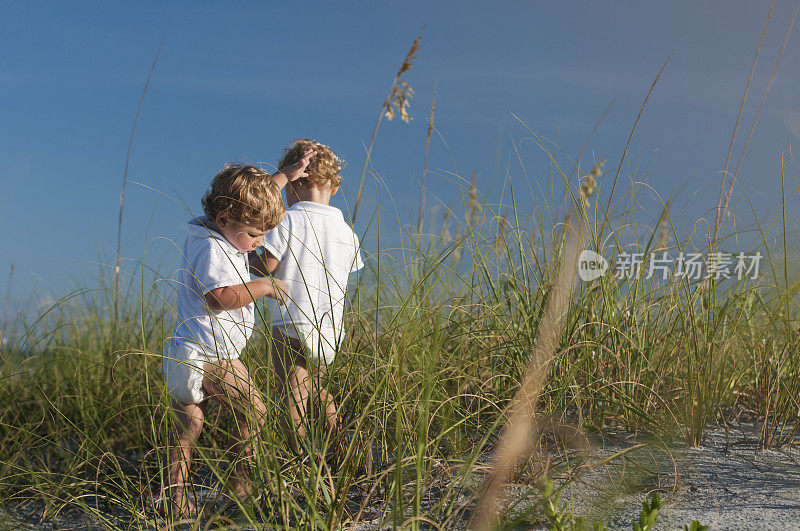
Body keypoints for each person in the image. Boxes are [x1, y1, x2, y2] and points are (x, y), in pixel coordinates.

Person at [157, 151, 315, 519]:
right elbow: (219, 297)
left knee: (187, 431)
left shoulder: (222, 229)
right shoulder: (212, 248)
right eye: (255, 235)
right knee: (255, 411)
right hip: (209, 356)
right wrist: (262, 286)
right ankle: (240, 486)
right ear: (226, 220)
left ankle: (173, 497)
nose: (259, 243)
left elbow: (256, 201)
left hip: (188, 353)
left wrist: (285, 177)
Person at [250, 139, 364, 458]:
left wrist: (243, 260)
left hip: (291, 323)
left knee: (292, 395)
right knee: (315, 390)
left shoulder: (289, 219)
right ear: (334, 188)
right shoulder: (347, 233)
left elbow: (267, 266)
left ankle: (299, 460)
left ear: (292, 185)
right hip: (329, 328)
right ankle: (343, 450)